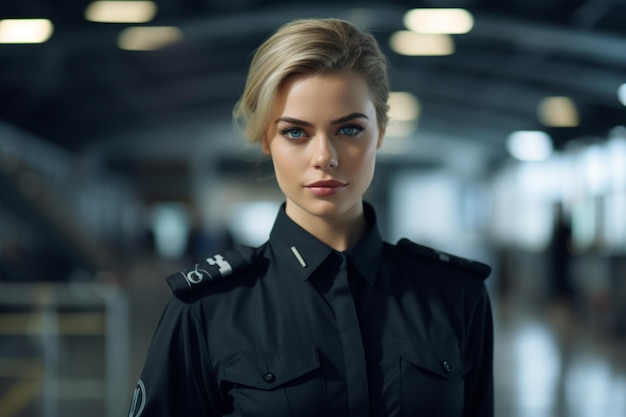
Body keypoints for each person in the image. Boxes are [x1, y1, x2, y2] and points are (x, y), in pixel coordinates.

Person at [129, 17, 494, 417]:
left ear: (381, 132)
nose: (325, 157)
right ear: (265, 138)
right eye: (296, 133)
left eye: (350, 130)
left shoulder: (455, 296)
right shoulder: (207, 308)